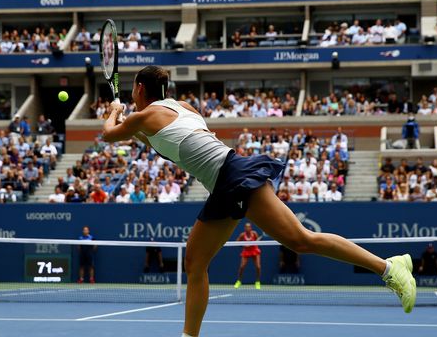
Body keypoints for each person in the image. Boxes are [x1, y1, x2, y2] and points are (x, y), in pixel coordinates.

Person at [101, 66, 416, 337]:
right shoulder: (181, 107)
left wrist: (114, 112)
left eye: (132, 90)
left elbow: (109, 134)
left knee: (301, 240)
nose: (131, 95)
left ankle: (389, 268)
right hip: (225, 184)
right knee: (196, 264)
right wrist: (128, 120)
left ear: (140, 89)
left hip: (234, 177)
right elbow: (155, 138)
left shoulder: (144, 116)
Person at [234, 222, 262, 289]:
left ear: (251, 228)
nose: (247, 228)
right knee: (242, 266)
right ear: (244, 228)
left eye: (249, 227)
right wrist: (244, 244)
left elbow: (257, 242)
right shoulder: (242, 235)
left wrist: (253, 244)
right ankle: (239, 281)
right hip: (246, 251)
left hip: (254, 250)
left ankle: (257, 282)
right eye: (246, 227)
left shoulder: (254, 233)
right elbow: (237, 242)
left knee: (258, 266)